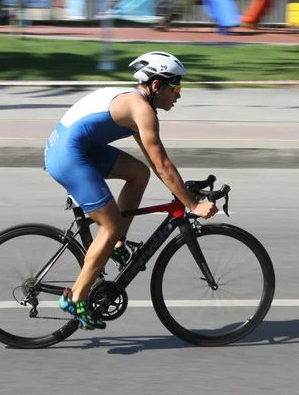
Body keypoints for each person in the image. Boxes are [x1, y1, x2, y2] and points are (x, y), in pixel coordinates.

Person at [43, 51, 218, 330]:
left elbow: (153, 163)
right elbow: (163, 164)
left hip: (75, 149)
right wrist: (193, 205)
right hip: (69, 156)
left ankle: (117, 245)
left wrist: (184, 194)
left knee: (138, 174)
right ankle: (77, 296)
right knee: (109, 226)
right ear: (157, 86)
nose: (179, 95)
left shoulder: (137, 104)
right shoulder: (142, 110)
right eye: (177, 88)